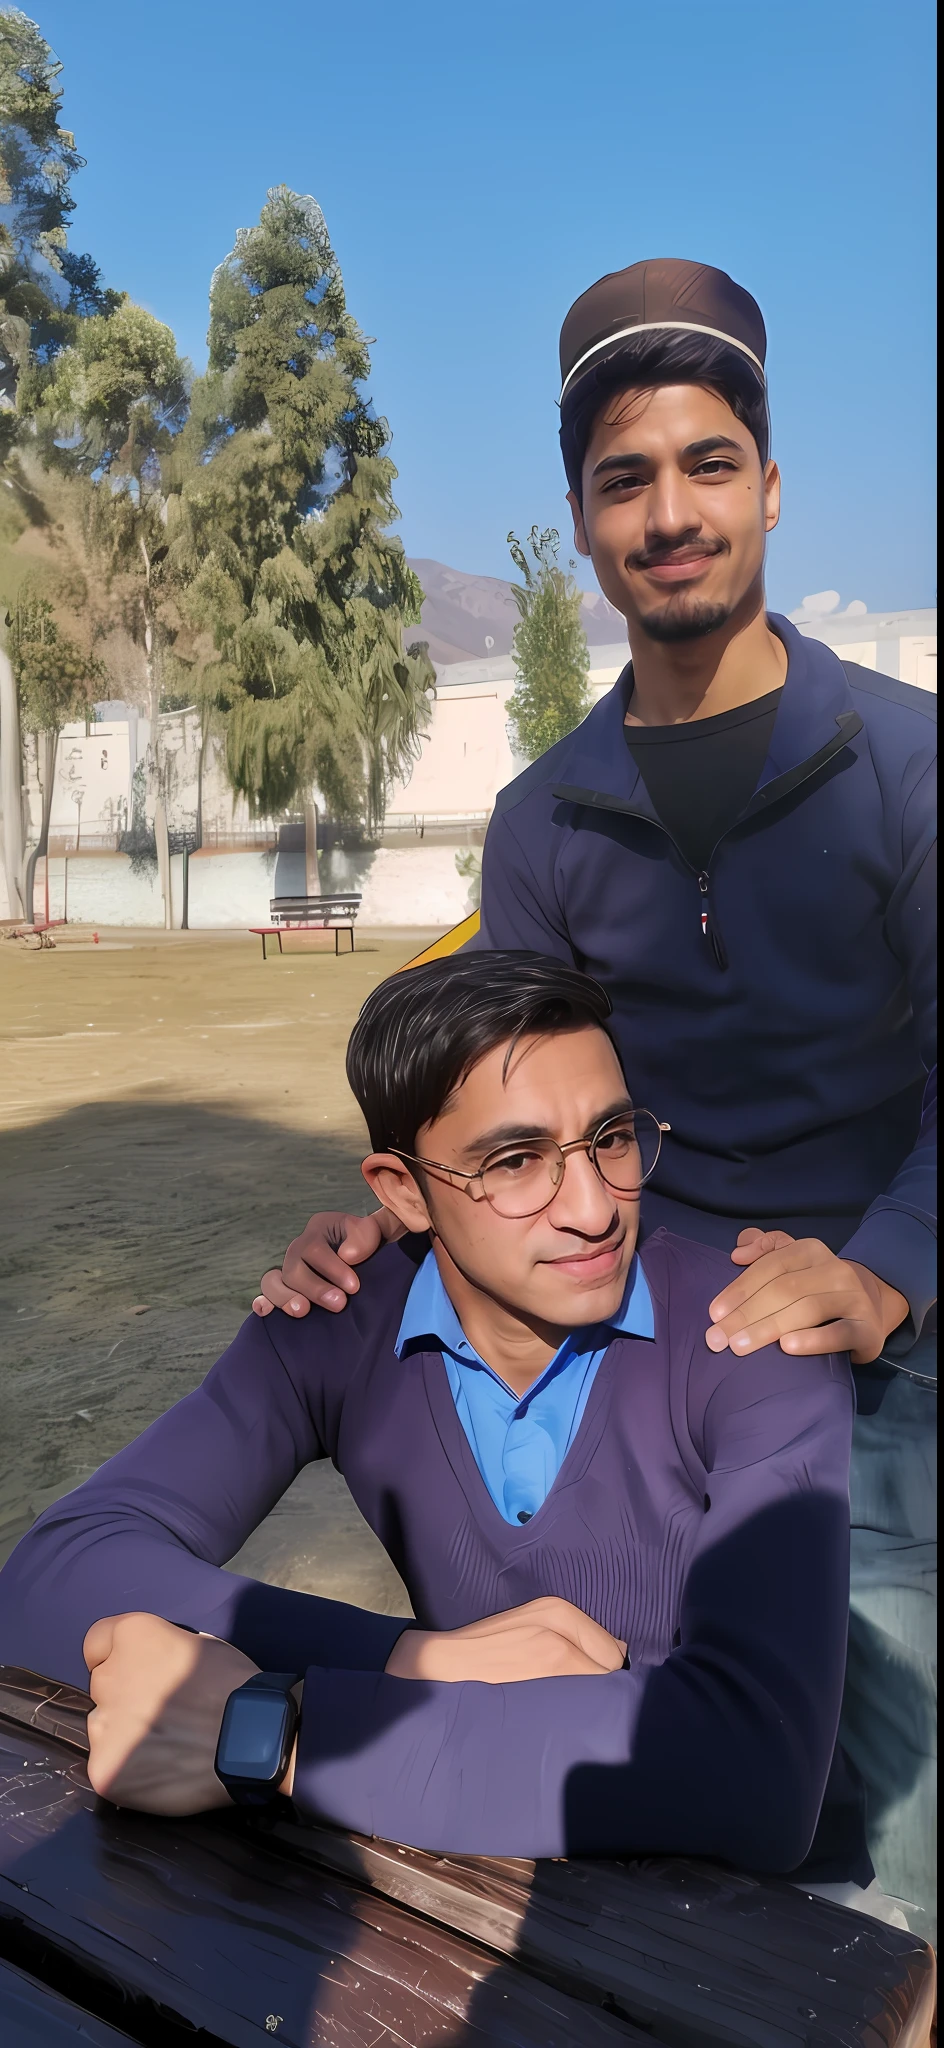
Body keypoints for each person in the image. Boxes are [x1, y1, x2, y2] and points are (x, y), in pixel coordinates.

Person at [252, 261, 937, 1939]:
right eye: (623, 478)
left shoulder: (908, 767)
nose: (670, 511)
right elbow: (512, 1100)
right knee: (620, 1835)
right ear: (577, 521)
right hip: (639, 1376)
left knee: (883, 1865)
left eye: (706, 463)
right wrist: (401, 1224)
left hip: (884, 1369)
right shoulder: (542, 819)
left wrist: (878, 1271)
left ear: (767, 487)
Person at [0, 952, 875, 1898]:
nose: (593, 1210)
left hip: (774, 1924)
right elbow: (53, 1573)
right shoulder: (336, 1326)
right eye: (515, 1161)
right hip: (477, 1858)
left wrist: (285, 1733)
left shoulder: (753, 1337)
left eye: (612, 1138)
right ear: (403, 1191)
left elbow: (758, 1772)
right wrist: (420, 1658)